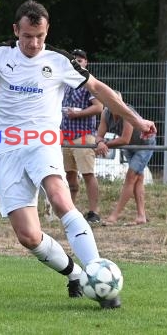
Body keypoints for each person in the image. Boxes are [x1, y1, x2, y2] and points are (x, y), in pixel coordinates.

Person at [0, 0, 156, 309]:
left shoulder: (58, 61)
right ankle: (77, 274)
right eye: (27, 36)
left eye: (39, 35)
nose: (34, 42)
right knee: (28, 236)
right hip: (9, 151)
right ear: (16, 30)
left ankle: (98, 273)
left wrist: (136, 120)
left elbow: (99, 89)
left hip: (44, 143)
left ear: (46, 30)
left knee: (58, 195)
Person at [95, 91, 156, 226]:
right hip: (129, 146)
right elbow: (99, 135)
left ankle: (113, 217)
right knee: (138, 178)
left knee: (130, 177)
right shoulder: (105, 113)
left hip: (144, 145)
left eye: (119, 102)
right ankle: (141, 216)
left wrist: (104, 144)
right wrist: (100, 143)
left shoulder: (127, 112)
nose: (117, 105)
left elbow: (125, 139)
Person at [60, 49, 103, 224]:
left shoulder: (88, 83)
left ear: (86, 63)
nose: (77, 62)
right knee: (69, 174)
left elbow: (99, 107)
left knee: (88, 174)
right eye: (74, 60)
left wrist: (78, 114)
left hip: (84, 136)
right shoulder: (64, 82)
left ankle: (93, 212)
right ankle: (70, 209)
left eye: (80, 60)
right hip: (65, 135)